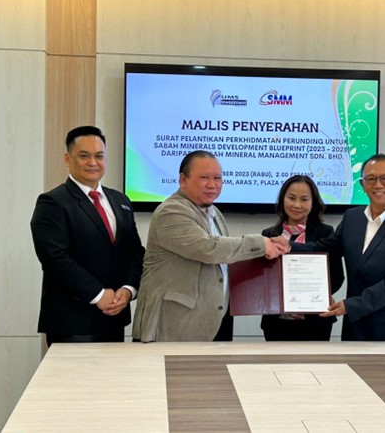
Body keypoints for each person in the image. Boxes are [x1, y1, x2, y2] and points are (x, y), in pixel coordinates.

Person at [132, 150, 286, 342]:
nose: (212, 185)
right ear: (183, 180)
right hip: (172, 327)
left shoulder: (214, 213)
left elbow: (223, 258)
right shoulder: (171, 211)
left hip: (210, 322)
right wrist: (261, 244)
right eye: (204, 178)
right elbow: (207, 248)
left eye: (217, 178)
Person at [277, 153, 385, 341]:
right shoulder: (352, 218)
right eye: (371, 179)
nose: (378, 185)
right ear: (362, 184)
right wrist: (289, 246)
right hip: (354, 327)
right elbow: (326, 248)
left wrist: (351, 305)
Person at [30, 125, 145, 345]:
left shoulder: (120, 200)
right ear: (67, 159)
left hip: (115, 318)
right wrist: (99, 294)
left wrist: (128, 290)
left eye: (99, 156)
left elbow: (135, 251)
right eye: (84, 156)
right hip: (72, 322)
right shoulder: (52, 202)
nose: (93, 162)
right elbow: (54, 258)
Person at [261, 175, 344, 341]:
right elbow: (263, 278)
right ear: (282, 199)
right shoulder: (269, 234)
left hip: (315, 321)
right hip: (276, 322)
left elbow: (336, 276)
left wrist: (319, 293)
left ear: (313, 203)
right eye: (291, 198)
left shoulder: (326, 233)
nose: (297, 205)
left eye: (304, 199)